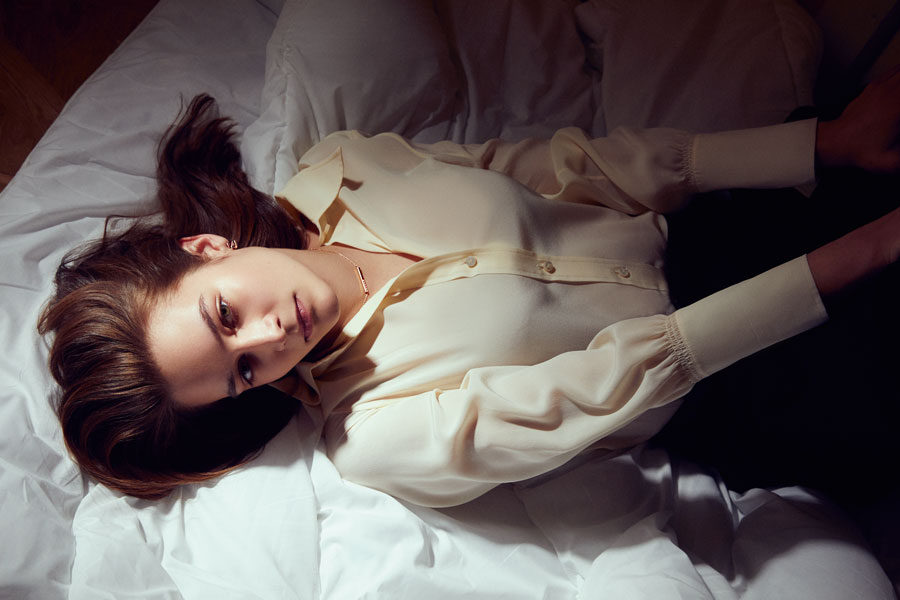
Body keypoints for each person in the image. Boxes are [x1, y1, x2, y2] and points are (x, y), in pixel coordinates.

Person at [39, 71, 900, 507]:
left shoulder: (342, 167)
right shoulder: (375, 435)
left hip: (725, 220)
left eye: (225, 315)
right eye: (243, 372)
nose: (270, 339)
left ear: (206, 248)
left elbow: (570, 168)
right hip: (750, 372)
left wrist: (823, 143)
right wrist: (857, 257)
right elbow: (603, 387)